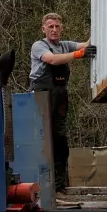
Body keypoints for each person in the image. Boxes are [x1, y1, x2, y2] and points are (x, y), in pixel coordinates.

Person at [28, 12, 93, 191]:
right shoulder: (39, 46)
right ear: (44, 29)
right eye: (51, 27)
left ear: (62, 28)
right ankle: (40, 185)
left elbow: (87, 44)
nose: (54, 30)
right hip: (41, 96)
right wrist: (80, 54)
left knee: (60, 141)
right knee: (42, 140)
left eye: (57, 27)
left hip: (60, 96)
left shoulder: (65, 45)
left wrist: (99, 22)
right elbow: (52, 59)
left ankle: (59, 185)